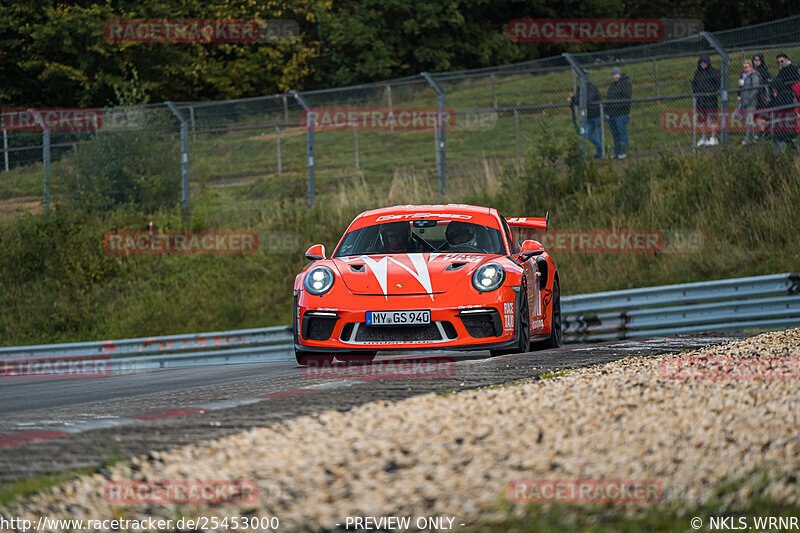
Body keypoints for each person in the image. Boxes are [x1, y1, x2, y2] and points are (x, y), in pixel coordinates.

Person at [769, 53, 800, 150]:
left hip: (787, 97)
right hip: (783, 97)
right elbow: (778, 80)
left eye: (782, 61)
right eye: (779, 62)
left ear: (787, 59)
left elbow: (781, 81)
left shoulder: (790, 69)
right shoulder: (783, 69)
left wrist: (776, 84)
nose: (780, 63)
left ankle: (789, 138)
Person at [568, 79, 603, 158]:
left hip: (596, 115)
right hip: (588, 116)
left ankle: (599, 153)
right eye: (578, 81)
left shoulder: (592, 87)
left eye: (580, 80)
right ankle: (601, 147)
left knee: (598, 135)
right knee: (586, 134)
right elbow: (578, 99)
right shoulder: (580, 89)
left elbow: (587, 99)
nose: (579, 82)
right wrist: (573, 99)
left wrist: (575, 99)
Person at [692, 54, 721, 146]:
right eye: (701, 63)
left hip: (711, 98)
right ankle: (703, 138)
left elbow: (719, 84)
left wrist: (711, 91)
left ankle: (713, 138)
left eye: (705, 62)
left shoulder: (714, 72)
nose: (703, 64)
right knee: (701, 119)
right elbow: (694, 85)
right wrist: (697, 92)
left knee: (713, 118)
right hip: (701, 100)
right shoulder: (697, 73)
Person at [605, 66, 632, 159]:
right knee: (615, 134)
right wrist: (606, 111)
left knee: (622, 132)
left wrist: (618, 107)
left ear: (620, 74)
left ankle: (624, 151)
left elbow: (626, 98)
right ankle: (617, 152)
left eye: (616, 74)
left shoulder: (626, 84)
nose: (615, 76)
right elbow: (608, 99)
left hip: (621, 113)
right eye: (613, 75)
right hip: (612, 114)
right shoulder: (612, 86)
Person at [736, 60, 761, 144]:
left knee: (749, 120)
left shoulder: (754, 75)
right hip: (744, 100)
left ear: (751, 67)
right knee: (748, 119)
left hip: (751, 101)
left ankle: (747, 138)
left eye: (746, 67)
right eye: (744, 67)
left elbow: (755, 89)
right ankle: (753, 136)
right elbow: (741, 88)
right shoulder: (743, 76)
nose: (745, 69)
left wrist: (748, 99)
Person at [752, 54, 772, 140]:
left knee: (762, 115)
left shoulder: (764, 71)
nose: (756, 62)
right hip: (753, 96)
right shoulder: (752, 71)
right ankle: (761, 131)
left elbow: (767, 83)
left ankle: (763, 132)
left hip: (762, 96)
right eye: (755, 60)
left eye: (758, 60)